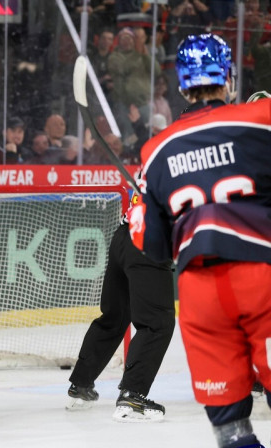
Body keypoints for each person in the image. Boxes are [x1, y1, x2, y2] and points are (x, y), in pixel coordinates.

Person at [132, 33, 271, 448]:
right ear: (228, 77)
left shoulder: (154, 150)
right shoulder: (261, 118)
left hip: (200, 295)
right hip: (261, 277)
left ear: (182, 84)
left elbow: (152, 245)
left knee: (231, 429)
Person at [65, 195, 175, 422]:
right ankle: (132, 395)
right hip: (148, 240)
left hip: (123, 236)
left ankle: (81, 383)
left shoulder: (156, 171)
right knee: (157, 323)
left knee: (115, 316)